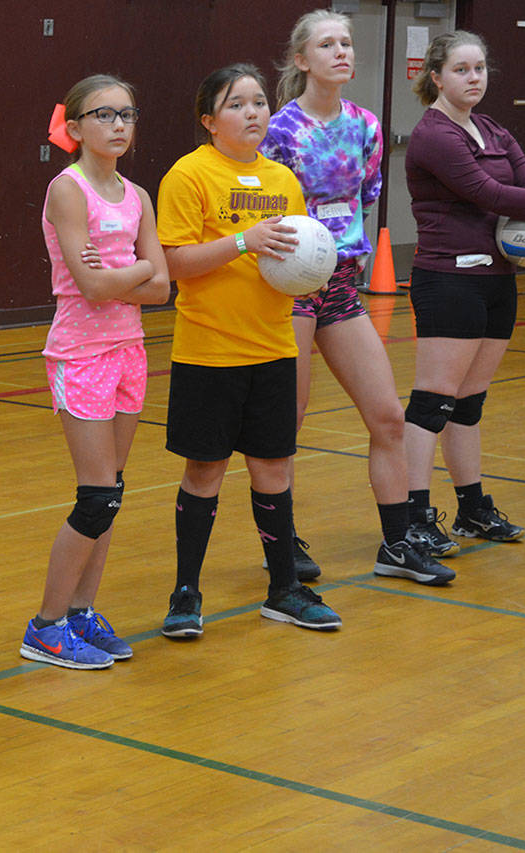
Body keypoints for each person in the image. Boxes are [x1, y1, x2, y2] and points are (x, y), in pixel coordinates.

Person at [261, 9, 454, 585]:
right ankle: (283, 543)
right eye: (327, 44)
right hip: (290, 289)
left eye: (346, 42)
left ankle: (396, 545)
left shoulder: (366, 125)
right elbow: (268, 207)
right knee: (285, 422)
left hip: (341, 284)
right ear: (302, 60)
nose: (341, 52)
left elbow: (367, 192)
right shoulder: (279, 131)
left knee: (389, 417)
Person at [155, 63, 343, 637]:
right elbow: (175, 264)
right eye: (237, 104)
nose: (253, 112)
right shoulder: (188, 176)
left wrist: (312, 266)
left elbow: (299, 259)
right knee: (205, 471)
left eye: (260, 102)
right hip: (208, 352)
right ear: (209, 120)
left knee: (273, 468)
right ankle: (186, 593)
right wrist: (243, 239)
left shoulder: (284, 181)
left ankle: (283, 588)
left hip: (272, 349)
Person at [404, 31, 525, 551]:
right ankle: (416, 516)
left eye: (480, 69)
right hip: (450, 279)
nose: (474, 78)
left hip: (497, 280)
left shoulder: (492, 129)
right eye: (461, 69)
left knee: (468, 404)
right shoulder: (434, 135)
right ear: (436, 76)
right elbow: (486, 192)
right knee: (432, 403)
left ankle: (471, 510)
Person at [18, 75, 170, 669]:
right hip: (79, 354)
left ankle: (82, 611)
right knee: (96, 496)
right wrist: (132, 269)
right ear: (76, 129)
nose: (118, 124)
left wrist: (121, 272)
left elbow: (162, 286)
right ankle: (46, 625)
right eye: (104, 114)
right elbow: (92, 286)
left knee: (114, 492)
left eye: (127, 114)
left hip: (129, 350)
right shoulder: (68, 189)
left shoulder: (138, 196)